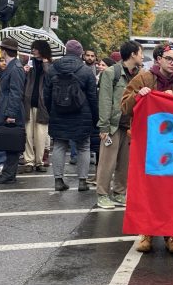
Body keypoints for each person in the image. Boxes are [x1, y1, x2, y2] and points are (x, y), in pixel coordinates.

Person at [122, 42, 173, 252]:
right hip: (148, 144)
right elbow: (125, 107)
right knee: (148, 189)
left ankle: (171, 235)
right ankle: (146, 233)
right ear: (158, 60)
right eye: (169, 59)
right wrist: (139, 96)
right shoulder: (144, 78)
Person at [44, 39, 98, 192]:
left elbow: (46, 95)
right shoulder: (86, 71)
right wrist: (95, 117)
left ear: (66, 51)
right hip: (82, 114)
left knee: (60, 145)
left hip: (58, 112)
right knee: (83, 146)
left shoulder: (53, 69)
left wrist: (51, 111)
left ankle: (58, 180)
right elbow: (93, 97)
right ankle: (82, 181)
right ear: (81, 53)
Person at [93, 40, 136, 209]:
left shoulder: (138, 74)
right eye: (140, 53)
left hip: (129, 125)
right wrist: (103, 126)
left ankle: (119, 192)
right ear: (133, 54)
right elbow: (104, 100)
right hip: (113, 124)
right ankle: (102, 194)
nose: (142, 56)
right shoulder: (111, 73)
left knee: (125, 163)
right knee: (107, 162)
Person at [0, 38, 26, 184]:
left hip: (11, 109)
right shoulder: (13, 66)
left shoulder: (15, 67)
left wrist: (11, 114)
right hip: (8, 107)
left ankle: (9, 174)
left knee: (11, 142)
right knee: (9, 142)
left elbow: (16, 92)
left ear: (4, 51)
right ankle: (8, 173)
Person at [22, 40, 52, 172]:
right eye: (32, 48)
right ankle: (29, 161)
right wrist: (25, 71)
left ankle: (39, 161)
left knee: (41, 135)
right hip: (28, 102)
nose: (33, 50)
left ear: (42, 50)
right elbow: (23, 82)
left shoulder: (50, 64)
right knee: (28, 134)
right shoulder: (29, 62)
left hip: (43, 105)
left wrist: (45, 64)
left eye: (36, 48)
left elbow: (51, 79)